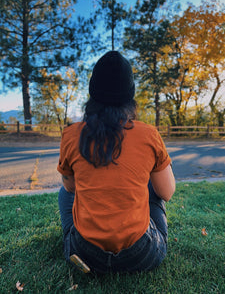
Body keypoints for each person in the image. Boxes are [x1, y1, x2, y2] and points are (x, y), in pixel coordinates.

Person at [57, 51, 175, 274]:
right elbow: (167, 193)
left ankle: (70, 240)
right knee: (154, 186)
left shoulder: (72, 135)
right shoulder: (149, 134)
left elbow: (70, 187)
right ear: (130, 96)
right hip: (142, 255)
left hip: (85, 255)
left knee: (64, 193)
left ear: (93, 94)